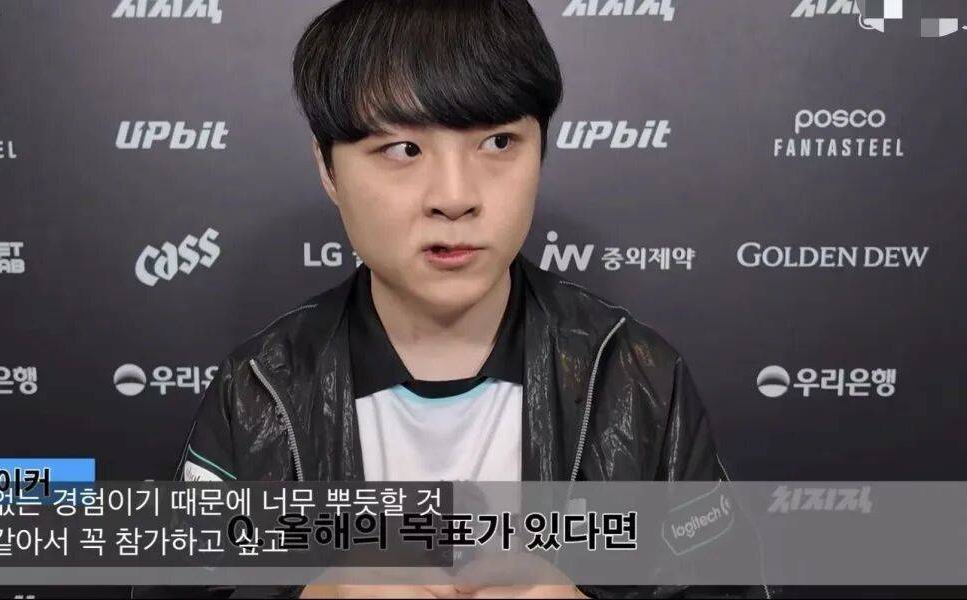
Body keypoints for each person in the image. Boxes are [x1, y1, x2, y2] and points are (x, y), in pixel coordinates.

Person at [144, 0, 776, 597]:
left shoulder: (637, 377)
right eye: (402, 149)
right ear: (328, 170)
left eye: (497, 142)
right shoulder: (259, 388)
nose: (454, 197)